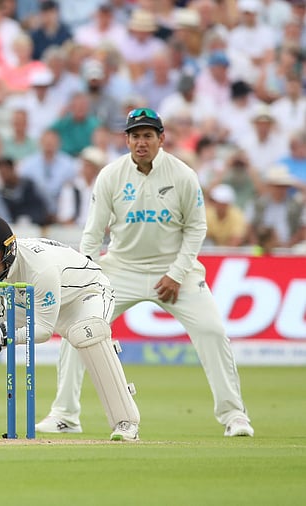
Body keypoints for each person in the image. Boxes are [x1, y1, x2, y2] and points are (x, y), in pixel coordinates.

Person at [37, 108, 254, 438]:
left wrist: (177, 273)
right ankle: (65, 414)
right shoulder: (111, 175)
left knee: (212, 331)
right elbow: (93, 232)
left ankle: (234, 415)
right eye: (135, 136)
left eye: (148, 135)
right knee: (76, 329)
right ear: (126, 140)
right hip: (120, 268)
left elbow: (197, 229)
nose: (141, 142)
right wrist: (85, 274)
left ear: (161, 139)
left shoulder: (182, 174)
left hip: (175, 271)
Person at [0, 215, 140, 441]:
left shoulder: (40, 268)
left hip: (84, 296)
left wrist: (2, 337)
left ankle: (126, 421)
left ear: (8, 249)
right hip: (30, 303)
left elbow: (43, 330)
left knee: (86, 333)